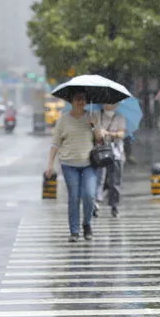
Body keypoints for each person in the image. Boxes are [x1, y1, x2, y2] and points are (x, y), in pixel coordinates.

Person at [46, 90, 102, 242]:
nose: (80, 102)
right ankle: (74, 231)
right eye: (77, 99)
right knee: (74, 197)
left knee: (89, 195)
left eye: (83, 99)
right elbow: (55, 143)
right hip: (69, 164)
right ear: (71, 101)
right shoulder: (63, 120)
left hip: (89, 164)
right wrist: (50, 164)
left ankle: (87, 224)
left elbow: (100, 140)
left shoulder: (92, 117)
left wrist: (94, 126)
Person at [94, 104, 126, 218]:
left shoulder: (120, 117)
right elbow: (94, 134)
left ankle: (114, 205)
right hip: (101, 152)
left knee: (115, 181)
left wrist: (109, 133)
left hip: (116, 153)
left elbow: (122, 134)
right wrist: (98, 132)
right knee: (99, 179)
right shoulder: (97, 115)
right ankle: (96, 203)